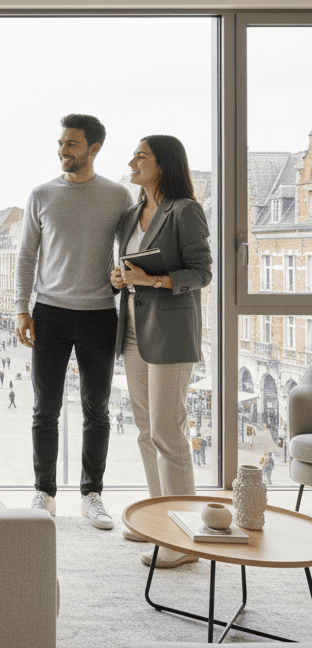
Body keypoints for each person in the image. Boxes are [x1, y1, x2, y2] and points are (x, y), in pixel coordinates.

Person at [16, 113, 133, 530]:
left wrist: (121, 276)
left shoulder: (119, 197)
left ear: (93, 148)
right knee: (44, 409)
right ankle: (44, 493)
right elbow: (27, 256)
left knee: (96, 410)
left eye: (71, 144)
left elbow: (129, 251)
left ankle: (92, 495)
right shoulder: (41, 194)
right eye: (61, 143)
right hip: (49, 313)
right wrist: (21, 309)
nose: (63, 150)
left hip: (100, 313)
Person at [112, 135, 212, 567]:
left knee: (168, 433)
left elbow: (202, 272)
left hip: (170, 331)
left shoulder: (185, 210)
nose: (132, 161)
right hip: (134, 329)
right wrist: (120, 278)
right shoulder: (132, 214)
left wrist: (153, 280)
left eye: (141, 156)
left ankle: (182, 540)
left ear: (163, 164)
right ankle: (158, 524)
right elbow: (127, 268)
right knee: (145, 431)